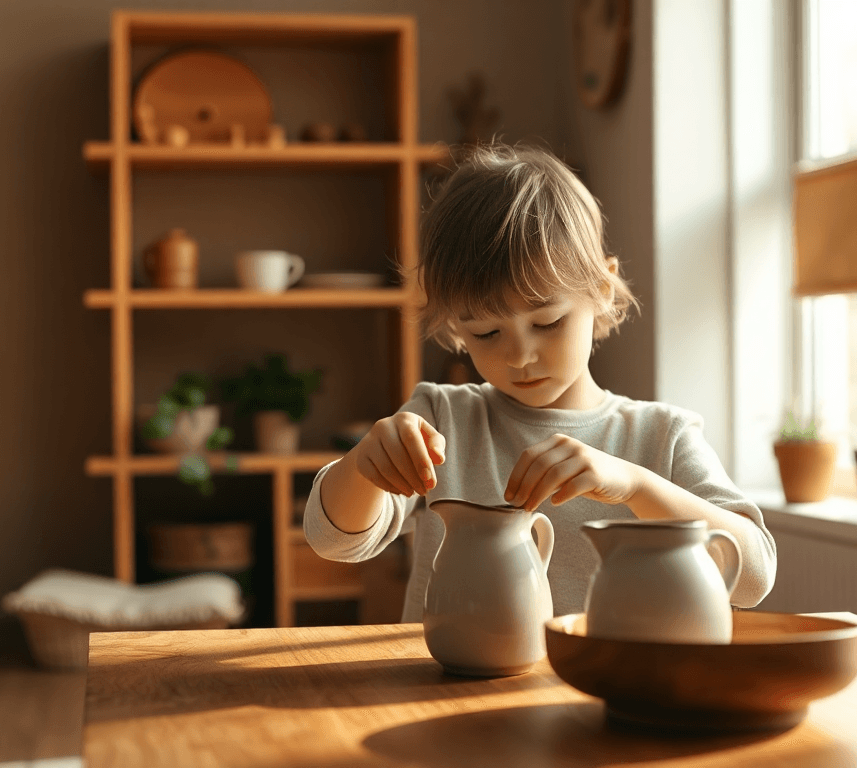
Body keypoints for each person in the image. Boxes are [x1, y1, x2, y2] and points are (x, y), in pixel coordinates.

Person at [304, 143, 776, 621]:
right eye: (486, 333)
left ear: (602, 290)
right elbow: (333, 541)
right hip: (450, 691)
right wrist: (364, 466)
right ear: (456, 328)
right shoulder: (442, 419)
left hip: (604, 689)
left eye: (548, 322)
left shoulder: (660, 437)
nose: (520, 356)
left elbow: (753, 576)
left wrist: (634, 486)